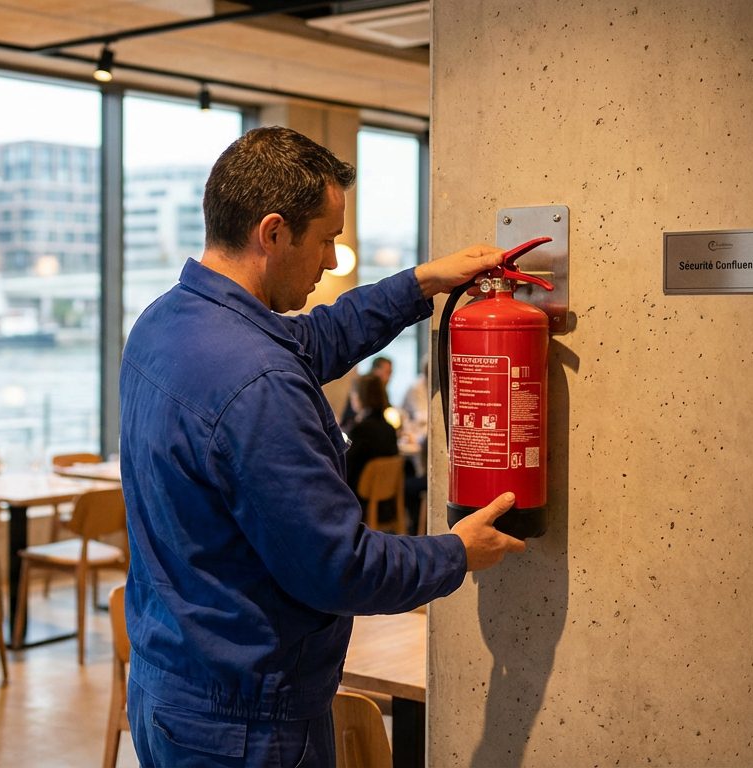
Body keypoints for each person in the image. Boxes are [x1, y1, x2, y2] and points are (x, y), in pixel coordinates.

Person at [120, 125, 526, 767]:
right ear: (273, 232)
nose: (333, 261)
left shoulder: (164, 323)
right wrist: (456, 553)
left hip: (168, 686)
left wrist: (423, 282)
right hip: (246, 725)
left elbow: (317, 339)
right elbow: (339, 569)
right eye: (326, 239)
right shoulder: (258, 383)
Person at [344, 374, 400, 517]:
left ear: (360, 397)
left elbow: (345, 467)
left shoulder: (359, 430)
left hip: (358, 502)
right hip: (386, 503)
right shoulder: (390, 428)